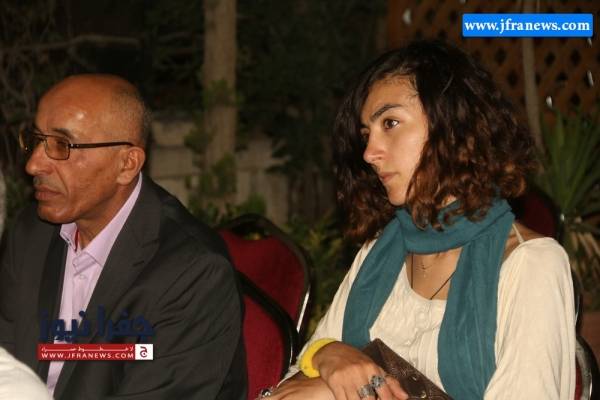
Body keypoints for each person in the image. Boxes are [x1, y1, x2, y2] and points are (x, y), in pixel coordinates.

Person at [266, 40, 575, 399]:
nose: (369, 153)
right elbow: (298, 377)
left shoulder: (530, 265)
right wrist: (329, 353)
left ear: (454, 125)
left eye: (390, 123)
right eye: (366, 135)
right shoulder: (380, 250)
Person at [0, 74, 247, 400]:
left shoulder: (193, 274)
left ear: (127, 165)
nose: (33, 164)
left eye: (61, 145)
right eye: (35, 139)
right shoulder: (32, 232)